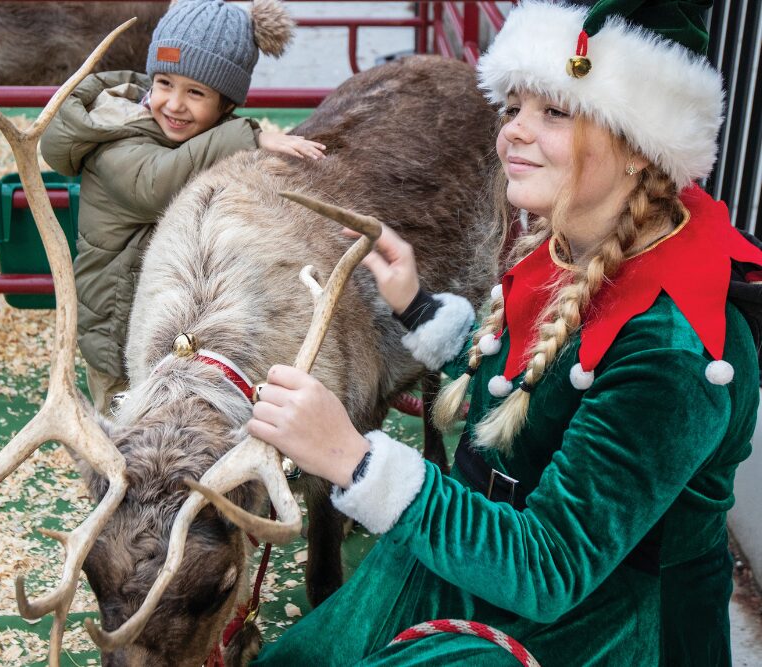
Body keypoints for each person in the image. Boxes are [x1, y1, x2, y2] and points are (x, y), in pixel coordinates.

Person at [248, 0, 762, 664]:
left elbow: (551, 567)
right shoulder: (573, 242)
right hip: (478, 551)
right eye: (514, 107)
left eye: (554, 111)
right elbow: (533, 390)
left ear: (639, 145)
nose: (513, 132)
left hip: (591, 620)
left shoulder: (676, 347)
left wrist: (355, 460)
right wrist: (413, 304)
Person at [41, 0, 325, 413]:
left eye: (195, 93)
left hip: (169, 323)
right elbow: (155, 184)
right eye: (164, 83)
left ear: (225, 106)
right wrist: (250, 138)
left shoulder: (190, 140)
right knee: (123, 431)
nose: (174, 104)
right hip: (117, 333)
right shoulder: (116, 137)